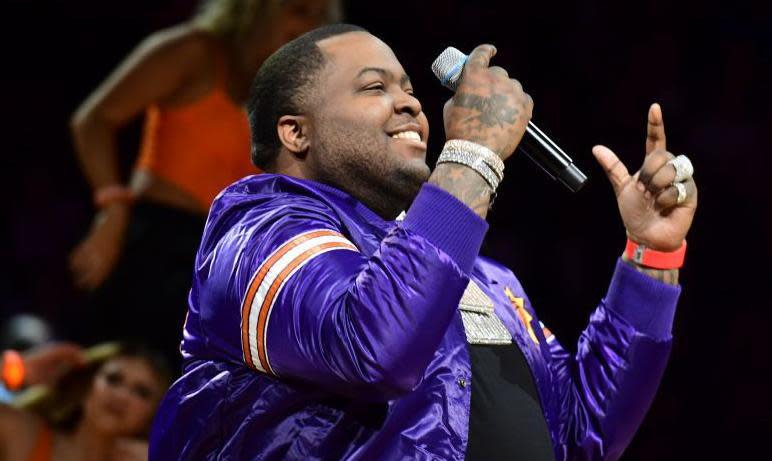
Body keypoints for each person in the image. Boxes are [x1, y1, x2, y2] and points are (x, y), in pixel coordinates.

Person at [149, 24, 698, 460]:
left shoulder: (483, 275)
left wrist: (650, 257)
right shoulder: (255, 231)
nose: (411, 104)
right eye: (374, 87)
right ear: (296, 131)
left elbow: (583, 435)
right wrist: (473, 155)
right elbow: (370, 348)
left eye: (410, 90)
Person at [68, 0, 339, 368]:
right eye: (300, 10)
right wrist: (112, 207)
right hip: (153, 246)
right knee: (115, 376)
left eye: (322, 17)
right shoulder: (196, 52)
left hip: (227, 265)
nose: (311, 26)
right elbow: (94, 119)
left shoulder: (297, 95)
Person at [0, 342, 171, 461]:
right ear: (86, 386)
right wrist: (19, 368)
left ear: (153, 415)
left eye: (141, 392)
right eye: (113, 380)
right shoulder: (24, 435)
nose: (122, 395)